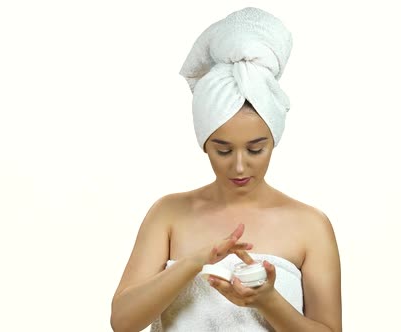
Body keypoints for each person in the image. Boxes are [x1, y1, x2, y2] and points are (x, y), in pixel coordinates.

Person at [110, 7, 341, 332]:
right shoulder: (168, 214)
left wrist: (267, 301)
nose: (240, 165)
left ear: (274, 140)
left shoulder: (310, 226)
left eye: (256, 148)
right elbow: (122, 321)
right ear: (204, 143)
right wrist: (195, 262)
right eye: (223, 149)